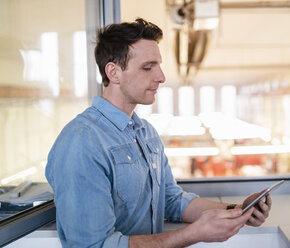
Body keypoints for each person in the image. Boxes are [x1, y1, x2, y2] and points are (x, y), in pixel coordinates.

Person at [45, 18, 272, 248]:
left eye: (159, 65)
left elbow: (170, 200)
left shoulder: (146, 133)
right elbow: (94, 246)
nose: (161, 76)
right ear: (114, 72)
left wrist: (237, 210)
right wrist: (194, 234)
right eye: (147, 67)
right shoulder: (81, 142)